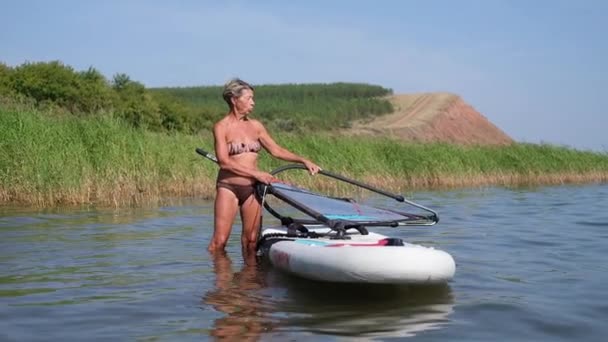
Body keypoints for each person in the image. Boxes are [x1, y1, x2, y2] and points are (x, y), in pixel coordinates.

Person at [209, 78, 321, 254]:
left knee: (252, 241)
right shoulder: (221, 127)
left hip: (252, 189)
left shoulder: (255, 126)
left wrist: (303, 160)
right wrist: (257, 174)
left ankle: (250, 280)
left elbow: (276, 150)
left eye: (253, 98)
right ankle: (220, 281)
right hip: (228, 187)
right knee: (219, 242)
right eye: (249, 98)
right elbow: (224, 162)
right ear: (234, 99)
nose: (253, 103)